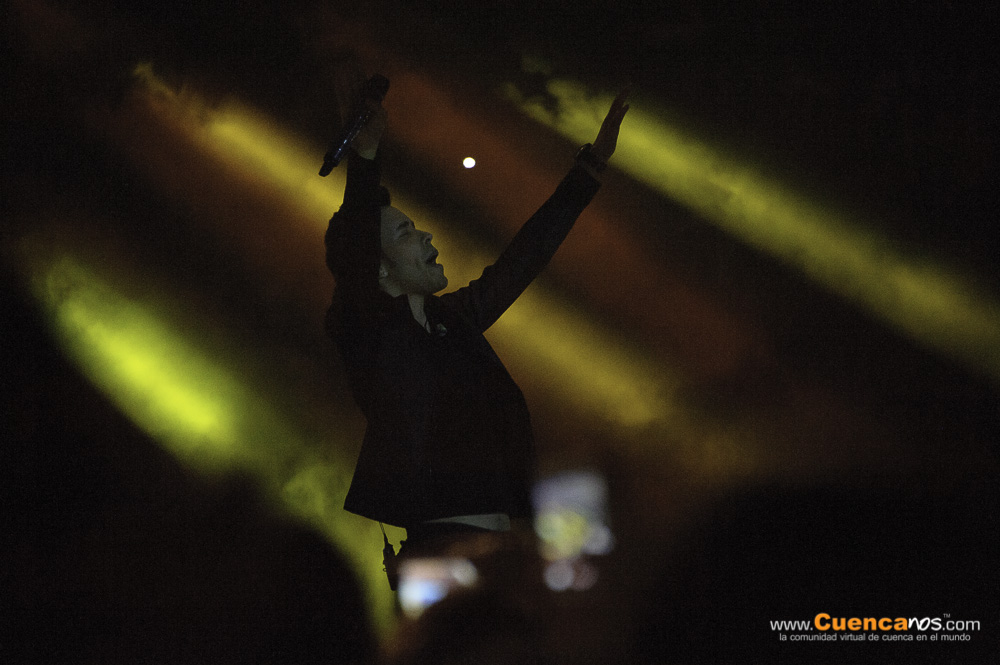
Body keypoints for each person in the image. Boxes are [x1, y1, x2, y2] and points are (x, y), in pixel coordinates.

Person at [324, 85, 629, 570]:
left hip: (504, 551)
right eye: (405, 232)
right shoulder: (369, 334)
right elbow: (356, 251)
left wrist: (588, 169)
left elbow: (523, 259)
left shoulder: (453, 323)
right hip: (441, 553)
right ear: (378, 269)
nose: (425, 235)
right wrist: (366, 157)